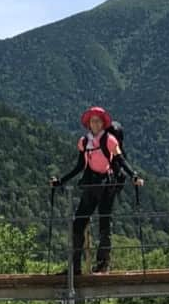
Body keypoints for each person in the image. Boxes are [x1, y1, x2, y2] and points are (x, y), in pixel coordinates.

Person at [51, 105, 143, 275]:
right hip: (92, 185)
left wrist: (134, 176)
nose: (95, 124)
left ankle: (101, 265)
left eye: (98, 121)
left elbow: (120, 160)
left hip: (106, 186)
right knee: (78, 224)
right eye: (93, 121)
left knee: (104, 224)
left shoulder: (109, 140)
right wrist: (61, 181)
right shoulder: (84, 142)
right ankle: (75, 268)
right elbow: (80, 166)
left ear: (102, 123)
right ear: (89, 123)